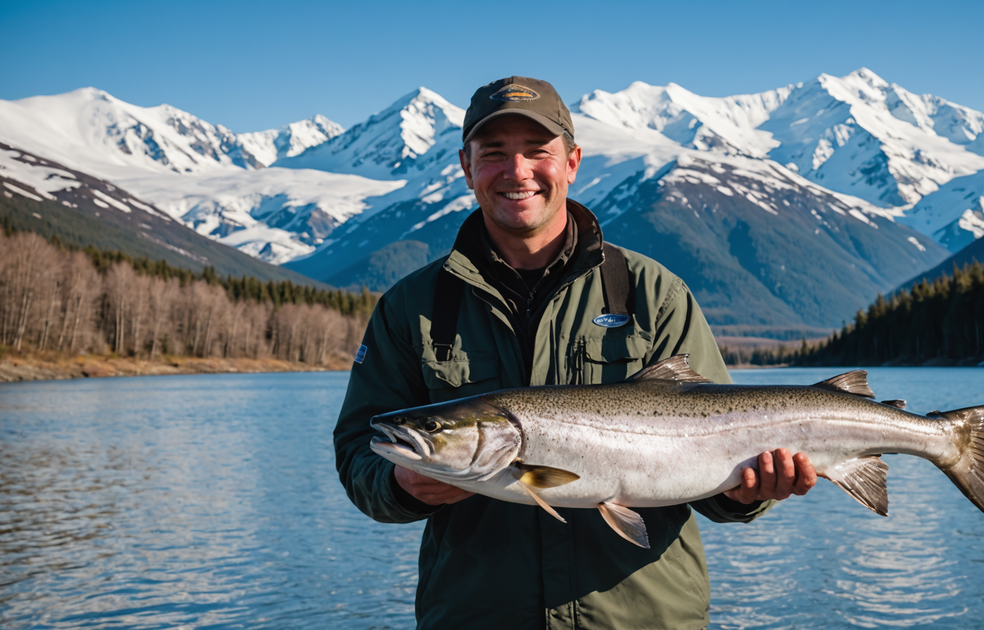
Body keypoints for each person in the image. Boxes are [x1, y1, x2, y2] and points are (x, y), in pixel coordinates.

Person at [334, 76, 817, 629]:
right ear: (466, 167)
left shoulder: (654, 294)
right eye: (494, 154)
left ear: (572, 162)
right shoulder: (412, 307)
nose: (517, 172)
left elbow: (718, 462)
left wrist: (749, 492)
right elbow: (359, 453)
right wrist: (401, 486)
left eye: (538, 151)